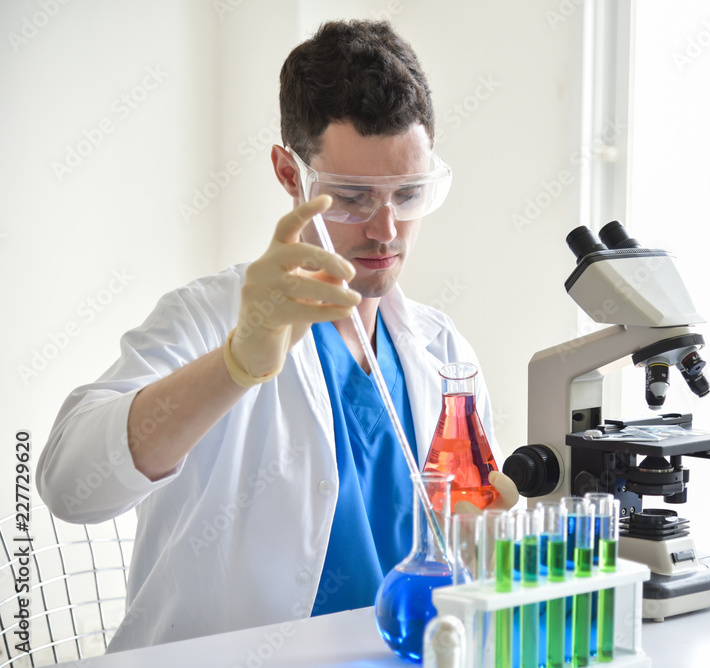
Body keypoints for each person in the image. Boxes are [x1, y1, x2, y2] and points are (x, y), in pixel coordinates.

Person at [36, 19, 517, 652]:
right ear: (289, 175)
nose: (385, 229)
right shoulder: (208, 317)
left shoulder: (441, 347)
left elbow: (471, 532)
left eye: (408, 193)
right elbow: (70, 486)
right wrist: (234, 366)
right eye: (350, 196)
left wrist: (503, 528)